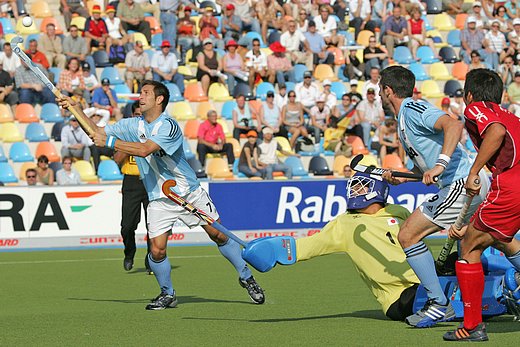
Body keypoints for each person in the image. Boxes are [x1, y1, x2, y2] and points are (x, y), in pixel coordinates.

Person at [57, 80, 265, 309]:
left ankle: (247, 277)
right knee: (156, 250)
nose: (140, 96)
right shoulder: (132, 125)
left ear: (159, 100)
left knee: (218, 235)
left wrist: (109, 141)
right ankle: (168, 293)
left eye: (146, 93)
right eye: (141, 92)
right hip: (159, 197)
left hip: (187, 192)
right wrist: (75, 108)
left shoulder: (169, 126)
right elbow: (96, 131)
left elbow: (145, 149)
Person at [378, 65, 490, 328]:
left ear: (387, 90)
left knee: (408, 234)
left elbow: (453, 125)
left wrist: (440, 164)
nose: (380, 96)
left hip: (461, 183)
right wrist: (402, 176)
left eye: (380, 91)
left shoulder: (412, 108)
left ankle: (439, 303)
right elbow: (423, 169)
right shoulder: (403, 120)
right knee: (485, 242)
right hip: (466, 182)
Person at [442, 69, 520, 342]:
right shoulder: (510, 115)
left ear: (469, 94)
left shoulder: (477, 109)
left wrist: (474, 171)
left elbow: (496, 133)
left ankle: (472, 325)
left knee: (470, 247)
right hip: (514, 185)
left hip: (512, 185)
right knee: (498, 238)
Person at [113, 101, 152, 273]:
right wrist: (131, 142)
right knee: (127, 225)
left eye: (141, 116)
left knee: (154, 225)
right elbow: (117, 159)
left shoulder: (153, 134)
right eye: (136, 115)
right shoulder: (125, 134)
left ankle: (152, 258)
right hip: (131, 181)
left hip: (151, 180)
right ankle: (129, 253)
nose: (139, 118)